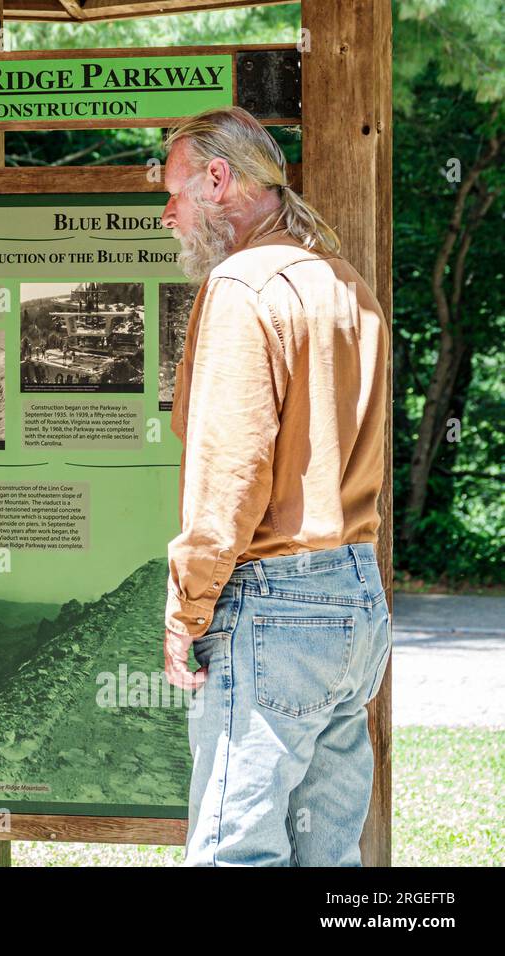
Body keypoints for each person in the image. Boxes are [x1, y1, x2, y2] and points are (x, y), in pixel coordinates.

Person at [158, 106, 391, 866]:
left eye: (175, 193)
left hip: (274, 606)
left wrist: (188, 609)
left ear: (218, 180)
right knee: (328, 860)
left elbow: (230, 475)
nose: (168, 215)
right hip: (356, 596)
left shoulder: (239, 286)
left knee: (235, 856)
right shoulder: (343, 284)